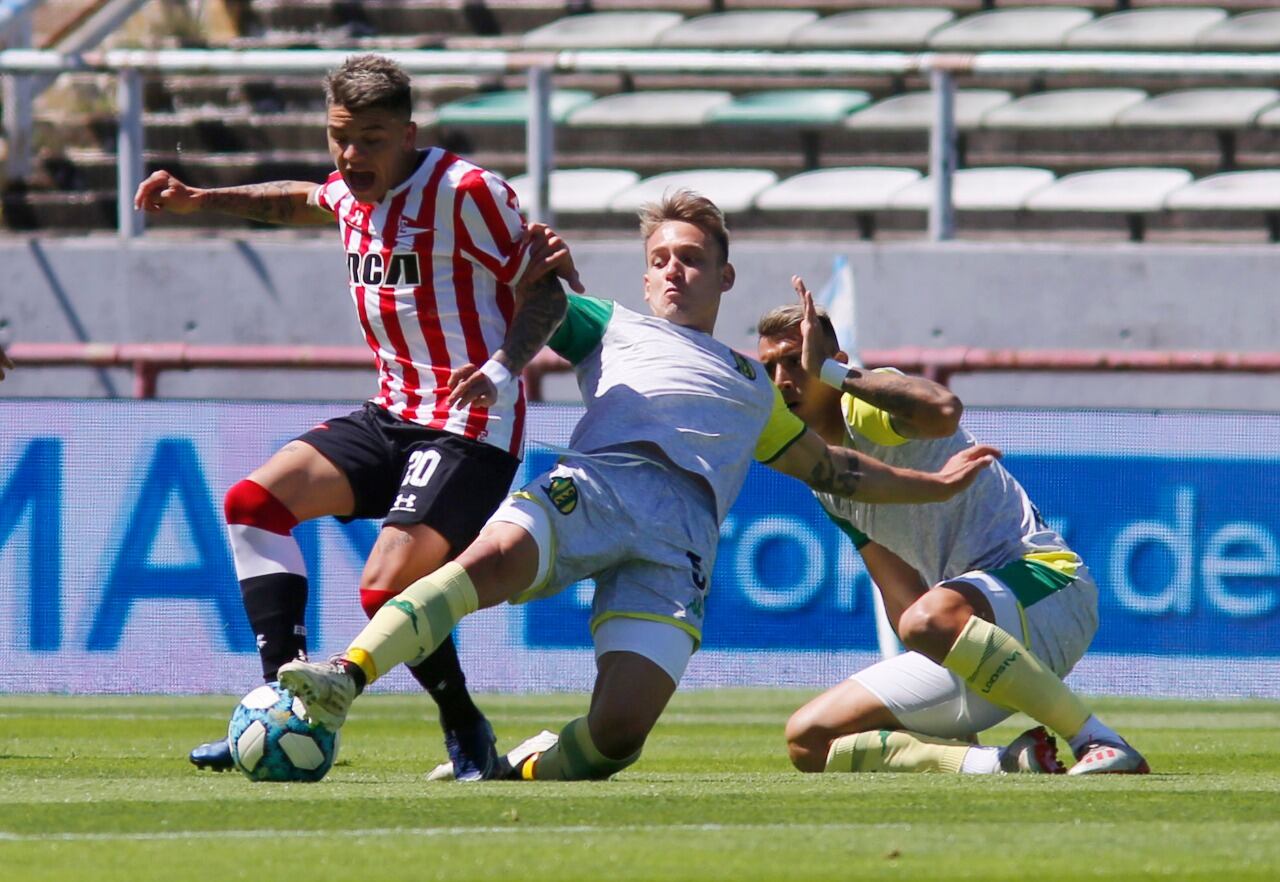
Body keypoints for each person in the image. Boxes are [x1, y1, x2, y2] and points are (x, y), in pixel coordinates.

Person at [276, 190, 999, 782]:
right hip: (598, 483)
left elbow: (837, 469)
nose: (674, 270)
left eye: (691, 258)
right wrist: (525, 279)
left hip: (681, 541)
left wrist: (931, 487)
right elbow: (533, 303)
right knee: (483, 564)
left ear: (725, 276)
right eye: (660, 260)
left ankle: (512, 772)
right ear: (646, 277)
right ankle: (347, 672)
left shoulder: (755, 386)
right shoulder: (608, 324)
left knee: (618, 735)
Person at [133, 54, 580, 780]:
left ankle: (464, 726)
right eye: (340, 136)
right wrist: (198, 197)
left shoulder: (466, 192)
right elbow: (304, 199)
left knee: (383, 587)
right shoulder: (350, 189)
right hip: (391, 412)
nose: (351, 155)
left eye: (371, 139)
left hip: (469, 425)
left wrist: (500, 370)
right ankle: (283, 701)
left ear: (408, 134)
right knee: (254, 503)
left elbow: (551, 291)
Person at [754, 281, 1150, 776]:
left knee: (927, 619)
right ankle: (1000, 763)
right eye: (769, 366)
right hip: (970, 628)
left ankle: (1097, 739)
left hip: (1048, 587)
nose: (782, 377)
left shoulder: (867, 404)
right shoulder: (823, 474)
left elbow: (944, 410)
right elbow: (898, 590)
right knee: (810, 742)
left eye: (794, 360)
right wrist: (943, 688)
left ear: (833, 359)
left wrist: (833, 373)